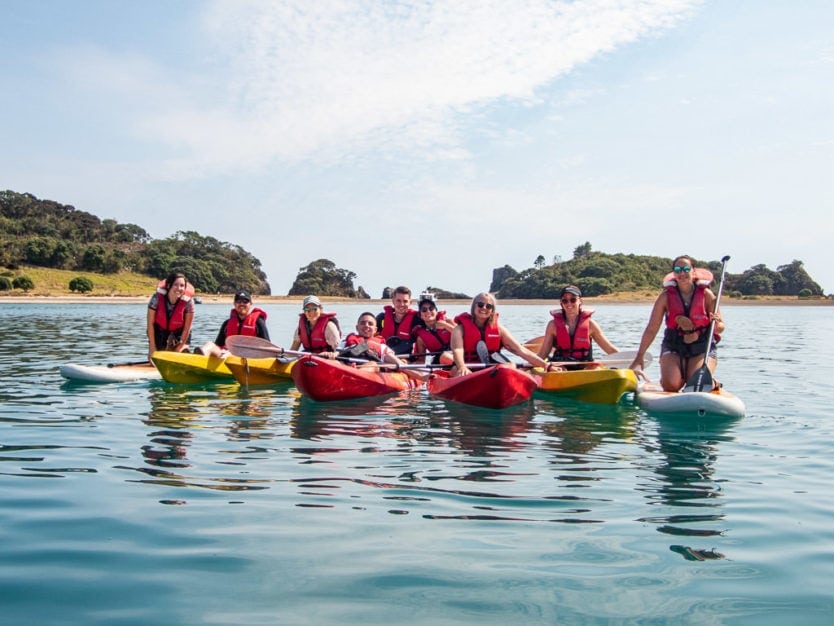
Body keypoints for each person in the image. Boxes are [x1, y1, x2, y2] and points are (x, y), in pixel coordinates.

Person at [629, 255, 725, 391]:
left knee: (696, 384)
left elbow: (721, 327)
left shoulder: (707, 295)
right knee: (671, 385)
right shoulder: (665, 297)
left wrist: (716, 325)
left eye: (686, 269)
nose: (682, 273)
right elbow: (652, 328)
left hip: (702, 346)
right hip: (674, 344)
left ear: (693, 271)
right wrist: (640, 356)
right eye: (678, 269)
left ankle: (712, 382)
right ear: (673, 273)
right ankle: (677, 376)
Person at [450, 292, 551, 377]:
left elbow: (520, 350)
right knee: (457, 370)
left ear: (492, 310)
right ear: (474, 306)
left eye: (489, 306)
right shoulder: (459, 329)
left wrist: (546, 366)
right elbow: (457, 350)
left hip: (492, 367)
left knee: (510, 365)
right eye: (480, 304)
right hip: (466, 366)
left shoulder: (499, 330)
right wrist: (462, 366)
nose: (484, 308)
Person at [536, 285, 620, 370]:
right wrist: (529, 366)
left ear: (580, 301)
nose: (569, 303)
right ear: (561, 303)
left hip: (584, 365)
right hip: (560, 365)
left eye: (573, 300)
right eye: (565, 300)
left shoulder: (591, 325)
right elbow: (543, 353)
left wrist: (631, 361)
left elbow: (610, 349)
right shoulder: (552, 325)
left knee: (595, 368)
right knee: (559, 370)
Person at [332, 312, 422, 380]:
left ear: (375, 330)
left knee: (373, 364)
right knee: (335, 362)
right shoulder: (345, 343)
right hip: (346, 366)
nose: (366, 326)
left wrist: (422, 377)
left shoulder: (382, 347)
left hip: (367, 370)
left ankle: (352, 377)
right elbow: (336, 355)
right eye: (363, 323)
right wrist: (330, 355)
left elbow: (400, 364)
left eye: (370, 324)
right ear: (357, 327)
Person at [198, 290, 270, 358]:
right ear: (234, 304)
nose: (241, 304)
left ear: (250, 303)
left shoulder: (258, 322)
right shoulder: (227, 324)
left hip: (250, 358)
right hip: (228, 356)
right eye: (238, 301)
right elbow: (218, 345)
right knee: (210, 345)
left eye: (245, 301)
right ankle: (197, 360)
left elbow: (267, 347)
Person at [146, 271, 195, 360]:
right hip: (159, 331)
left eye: (182, 286)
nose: (179, 288)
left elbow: (187, 328)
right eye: (175, 285)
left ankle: (184, 350)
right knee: (154, 359)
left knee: (178, 357)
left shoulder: (189, 302)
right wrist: (152, 347)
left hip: (180, 333)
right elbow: (150, 324)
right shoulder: (156, 298)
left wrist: (179, 348)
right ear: (169, 286)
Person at [376, 285, 420, 357]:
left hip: (405, 359)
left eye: (405, 301)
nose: (402, 304)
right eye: (398, 301)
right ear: (393, 301)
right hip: (382, 357)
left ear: (410, 302)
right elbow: (368, 337)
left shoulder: (417, 320)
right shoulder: (382, 318)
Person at [412, 293, 455, 364]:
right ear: (420, 315)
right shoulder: (421, 339)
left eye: (431, 308)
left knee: (446, 356)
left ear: (436, 311)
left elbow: (464, 337)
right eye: (424, 309)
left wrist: (446, 326)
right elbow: (421, 361)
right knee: (444, 357)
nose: (428, 311)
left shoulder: (448, 322)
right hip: (440, 362)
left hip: (457, 355)